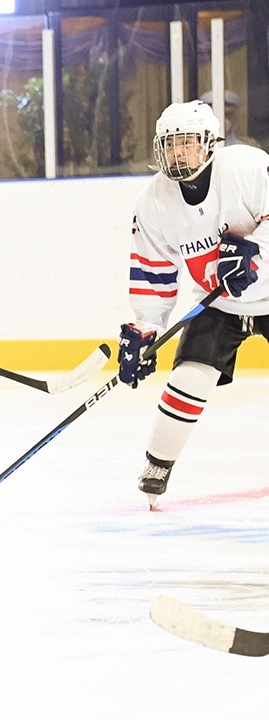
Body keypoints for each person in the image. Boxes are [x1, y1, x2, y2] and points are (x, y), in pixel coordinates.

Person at [118, 99, 269, 508]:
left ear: (209, 144)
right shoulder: (153, 201)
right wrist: (145, 327)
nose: (177, 153)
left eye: (186, 143)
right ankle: (158, 465)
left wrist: (257, 251)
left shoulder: (246, 168)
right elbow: (154, 271)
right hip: (217, 305)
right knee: (187, 378)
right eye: (169, 145)